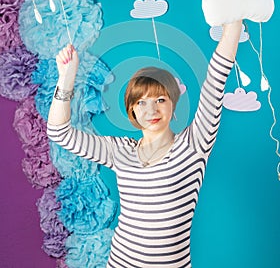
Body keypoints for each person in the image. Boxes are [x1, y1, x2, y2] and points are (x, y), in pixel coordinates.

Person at [47, 20, 242, 267]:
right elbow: (59, 132)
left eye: (160, 99)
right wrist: (66, 78)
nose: (151, 109)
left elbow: (215, 80)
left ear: (173, 103)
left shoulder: (193, 145)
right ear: (132, 111)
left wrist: (233, 22)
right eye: (141, 102)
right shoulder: (121, 151)